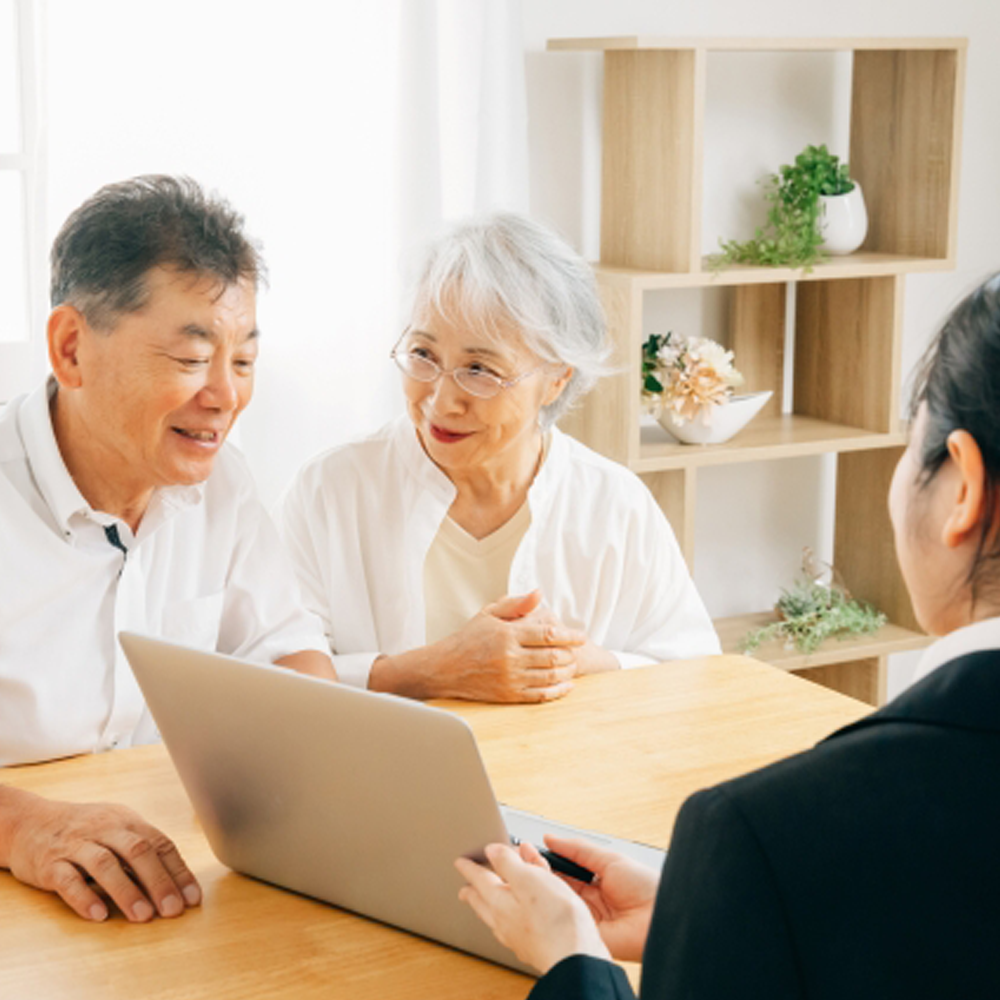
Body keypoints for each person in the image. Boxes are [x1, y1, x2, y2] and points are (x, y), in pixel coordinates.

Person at [455, 274, 1000, 997]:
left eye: (911, 442)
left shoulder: (761, 830)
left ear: (962, 486)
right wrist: (708, 908)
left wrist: (574, 959)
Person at [0, 176, 336, 926]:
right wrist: (20, 823)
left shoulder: (222, 488)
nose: (225, 397)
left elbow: (288, 648)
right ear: (71, 348)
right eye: (191, 360)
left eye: (243, 362)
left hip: (171, 879)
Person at [278, 213, 719, 703]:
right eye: (423, 354)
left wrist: (590, 663)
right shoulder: (332, 490)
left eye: (479, 369)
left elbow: (694, 678)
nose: (441, 401)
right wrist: (432, 671)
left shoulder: (614, 505)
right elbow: (272, 680)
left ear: (556, 378)